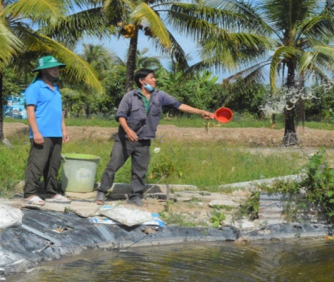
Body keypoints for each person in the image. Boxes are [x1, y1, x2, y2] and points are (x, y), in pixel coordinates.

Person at [96, 68, 214, 207]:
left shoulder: (160, 95)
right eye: (151, 77)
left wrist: (201, 112)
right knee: (113, 166)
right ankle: (102, 192)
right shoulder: (130, 96)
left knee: (140, 171)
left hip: (144, 140)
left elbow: (179, 105)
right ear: (142, 81)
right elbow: (121, 115)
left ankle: (135, 196)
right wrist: (128, 131)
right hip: (125, 140)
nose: (155, 80)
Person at [23, 55, 71, 205]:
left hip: (56, 133)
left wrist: (64, 129)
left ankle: (51, 193)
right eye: (52, 68)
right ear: (43, 70)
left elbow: (59, 112)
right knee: (37, 164)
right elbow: (30, 112)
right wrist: (36, 132)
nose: (56, 71)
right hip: (42, 133)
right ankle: (30, 193)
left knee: (53, 165)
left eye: (57, 68)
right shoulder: (35, 88)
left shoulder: (56, 89)